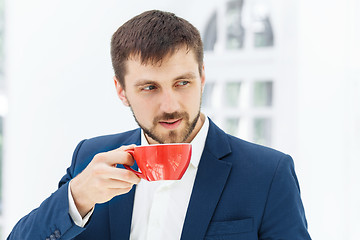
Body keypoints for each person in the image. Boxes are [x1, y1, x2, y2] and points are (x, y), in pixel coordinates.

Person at [8, 10, 311, 240]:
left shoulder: (269, 174)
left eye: (182, 82)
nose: (170, 106)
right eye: (149, 88)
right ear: (121, 90)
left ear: (202, 77)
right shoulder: (91, 156)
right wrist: (77, 197)